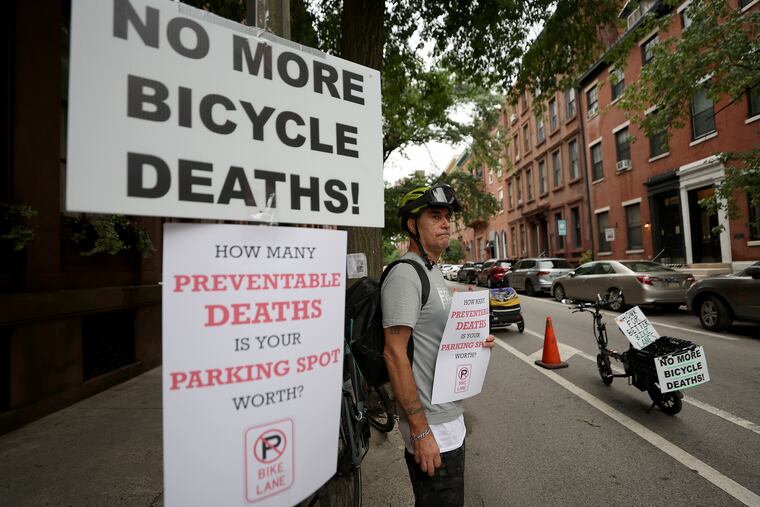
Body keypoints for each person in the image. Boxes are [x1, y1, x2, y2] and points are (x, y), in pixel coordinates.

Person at [381, 183, 496, 506]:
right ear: (412, 225)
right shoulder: (406, 275)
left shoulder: (432, 272)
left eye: (447, 216)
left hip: (449, 418)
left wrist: (474, 341)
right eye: (435, 216)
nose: (446, 223)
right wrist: (419, 432)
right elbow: (394, 354)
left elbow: (435, 337)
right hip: (431, 425)